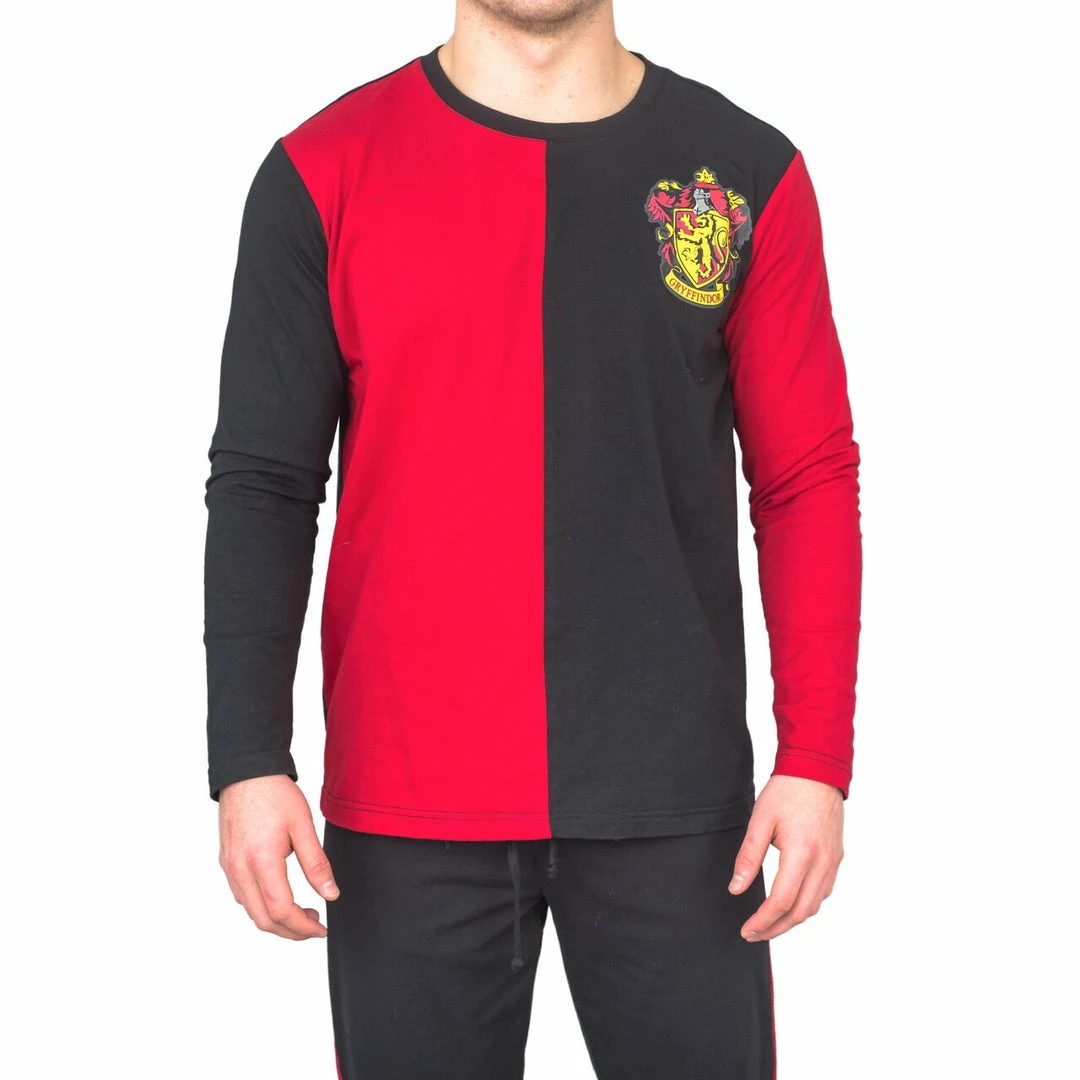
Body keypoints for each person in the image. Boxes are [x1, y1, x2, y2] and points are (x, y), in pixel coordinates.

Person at [203, 1, 862, 1076]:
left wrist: (816, 758)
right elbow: (265, 487)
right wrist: (247, 760)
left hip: (678, 802)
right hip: (408, 800)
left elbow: (805, 480)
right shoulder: (322, 170)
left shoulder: (745, 173)